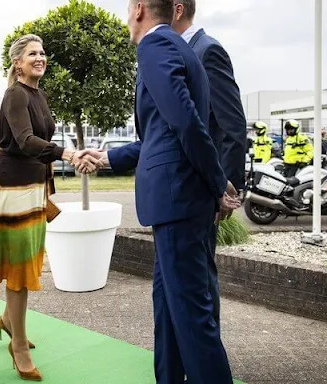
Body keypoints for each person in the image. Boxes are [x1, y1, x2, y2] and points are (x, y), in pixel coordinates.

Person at [83, 1, 240, 383]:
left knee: (191, 319)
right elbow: (164, 134)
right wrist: (108, 158)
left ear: (139, 9)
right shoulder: (180, 47)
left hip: (179, 203)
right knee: (168, 311)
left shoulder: (156, 46)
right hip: (179, 203)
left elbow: (187, 123)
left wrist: (219, 184)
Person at [0, 34, 97, 381]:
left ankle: (8, 320)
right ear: (18, 63)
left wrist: (68, 154)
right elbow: (24, 141)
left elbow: (41, 140)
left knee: (29, 262)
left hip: (33, 187)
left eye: (42, 52)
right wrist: (67, 153)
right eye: (33, 53)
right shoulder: (15, 94)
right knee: (19, 271)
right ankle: (17, 344)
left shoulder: (37, 93)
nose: (40, 57)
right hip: (13, 189)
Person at [171, 0, 246, 330]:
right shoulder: (183, 53)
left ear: (176, 9)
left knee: (201, 280)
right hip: (187, 188)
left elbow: (231, 125)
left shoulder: (207, 51)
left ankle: (206, 356)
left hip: (206, 190)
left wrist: (224, 187)